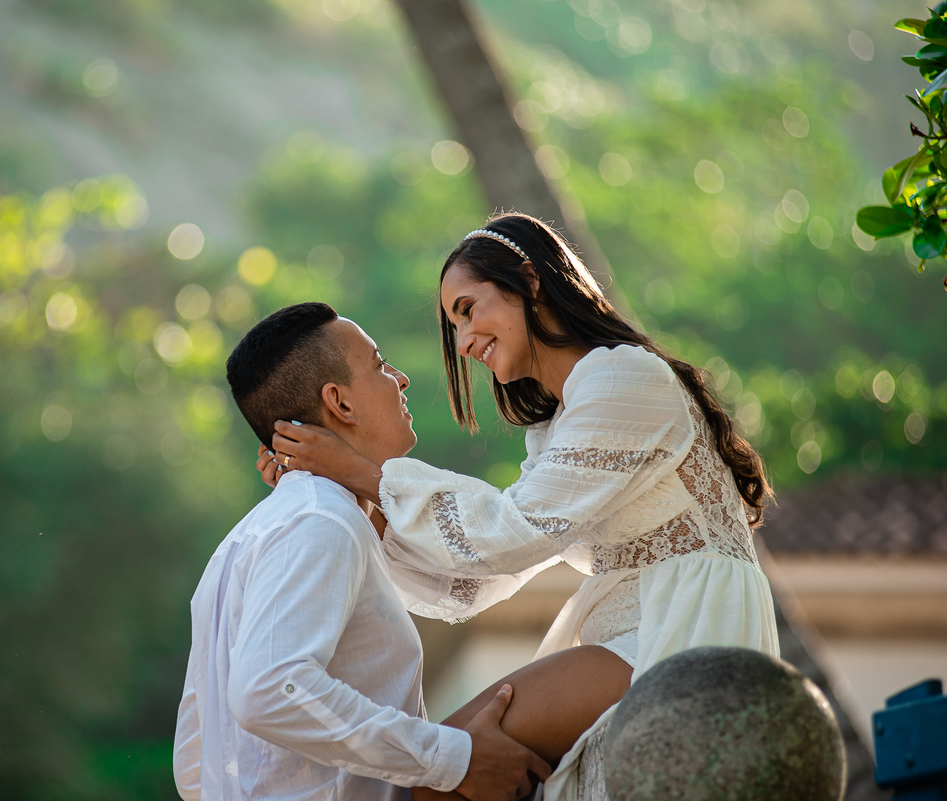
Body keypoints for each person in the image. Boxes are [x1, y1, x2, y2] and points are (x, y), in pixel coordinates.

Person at [261, 213, 781, 801]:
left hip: (683, 629)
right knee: (443, 771)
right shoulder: (562, 424)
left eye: (467, 309)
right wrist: (362, 504)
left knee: (434, 776)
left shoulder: (622, 380)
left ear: (529, 283)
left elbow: (512, 533)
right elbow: (490, 574)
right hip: (630, 630)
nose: (463, 343)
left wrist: (360, 471)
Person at [174, 302, 551, 801]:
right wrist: (452, 759)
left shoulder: (250, 536)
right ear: (340, 403)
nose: (400, 379)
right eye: (378, 364)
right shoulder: (319, 523)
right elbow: (269, 691)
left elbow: (196, 759)